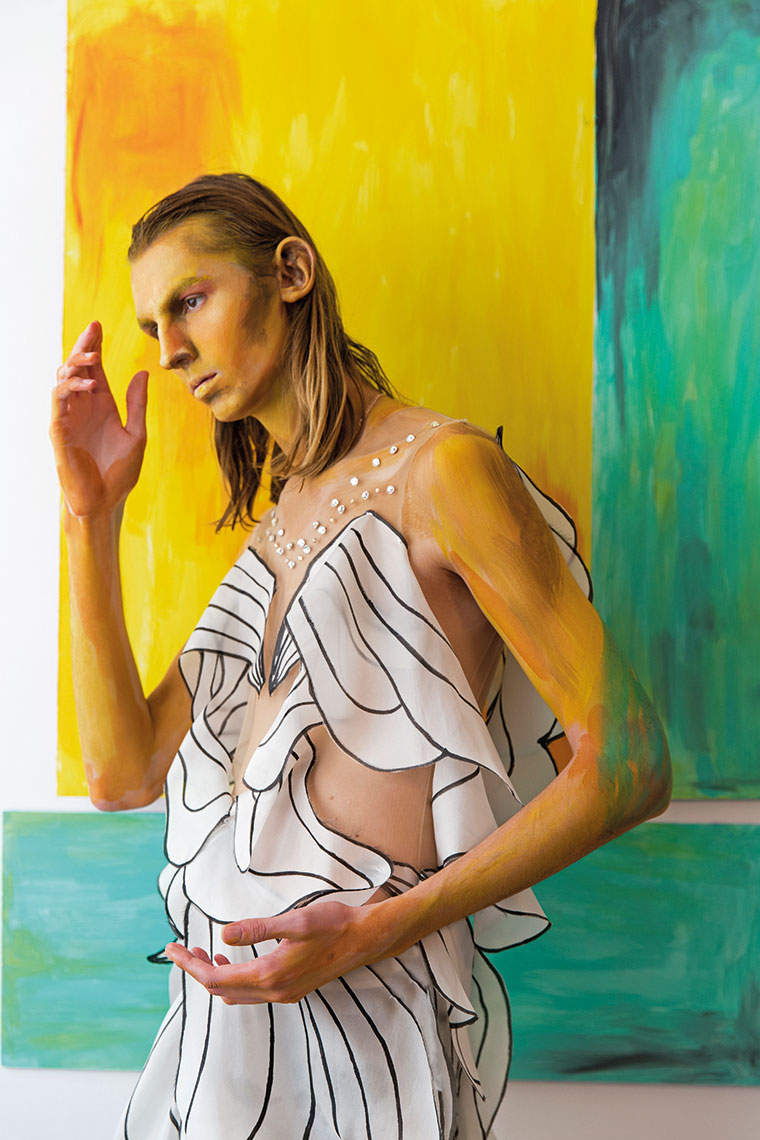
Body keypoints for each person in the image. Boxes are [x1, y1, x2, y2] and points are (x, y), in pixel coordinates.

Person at [50, 173, 671, 1139]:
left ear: (292, 271)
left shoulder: (445, 471)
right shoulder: (276, 529)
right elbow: (121, 774)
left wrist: (373, 932)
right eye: (151, 326)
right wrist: (90, 514)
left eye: (190, 301)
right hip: (219, 1042)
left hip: (368, 1032)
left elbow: (629, 761)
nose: (169, 352)